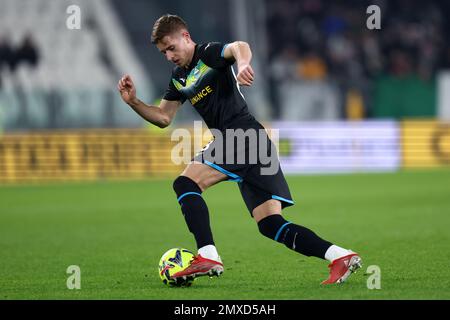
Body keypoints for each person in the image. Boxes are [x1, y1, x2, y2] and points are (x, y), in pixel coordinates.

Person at [117, 14, 362, 285]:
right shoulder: (179, 78)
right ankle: (340, 256)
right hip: (254, 142)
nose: (169, 56)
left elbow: (238, 46)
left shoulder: (207, 53)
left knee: (185, 183)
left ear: (185, 37)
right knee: (270, 224)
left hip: (240, 134)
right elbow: (163, 117)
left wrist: (243, 63)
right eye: (164, 52)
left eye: (171, 48)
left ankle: (208, 254)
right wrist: (133, 102)